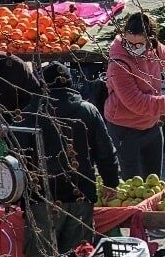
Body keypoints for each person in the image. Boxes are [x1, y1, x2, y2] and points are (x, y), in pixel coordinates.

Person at [24, 62, 120, 255]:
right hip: (80, 194)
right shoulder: (88, 110)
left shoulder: (31, 113)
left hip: (42, 196)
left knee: (41, 252)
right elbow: (105, 151)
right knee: (78, 251)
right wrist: (110, 181)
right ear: (70, 82)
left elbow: (17, 154)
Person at [105, 12, 165, 179]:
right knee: (133, 182)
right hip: (125, 128)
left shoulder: (153, 49)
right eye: (129, 43)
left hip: (151, 124)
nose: (133, 48)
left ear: (149, 41)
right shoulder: (118, 64)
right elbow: (134, 101)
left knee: (154, 178)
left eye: (139, 44)